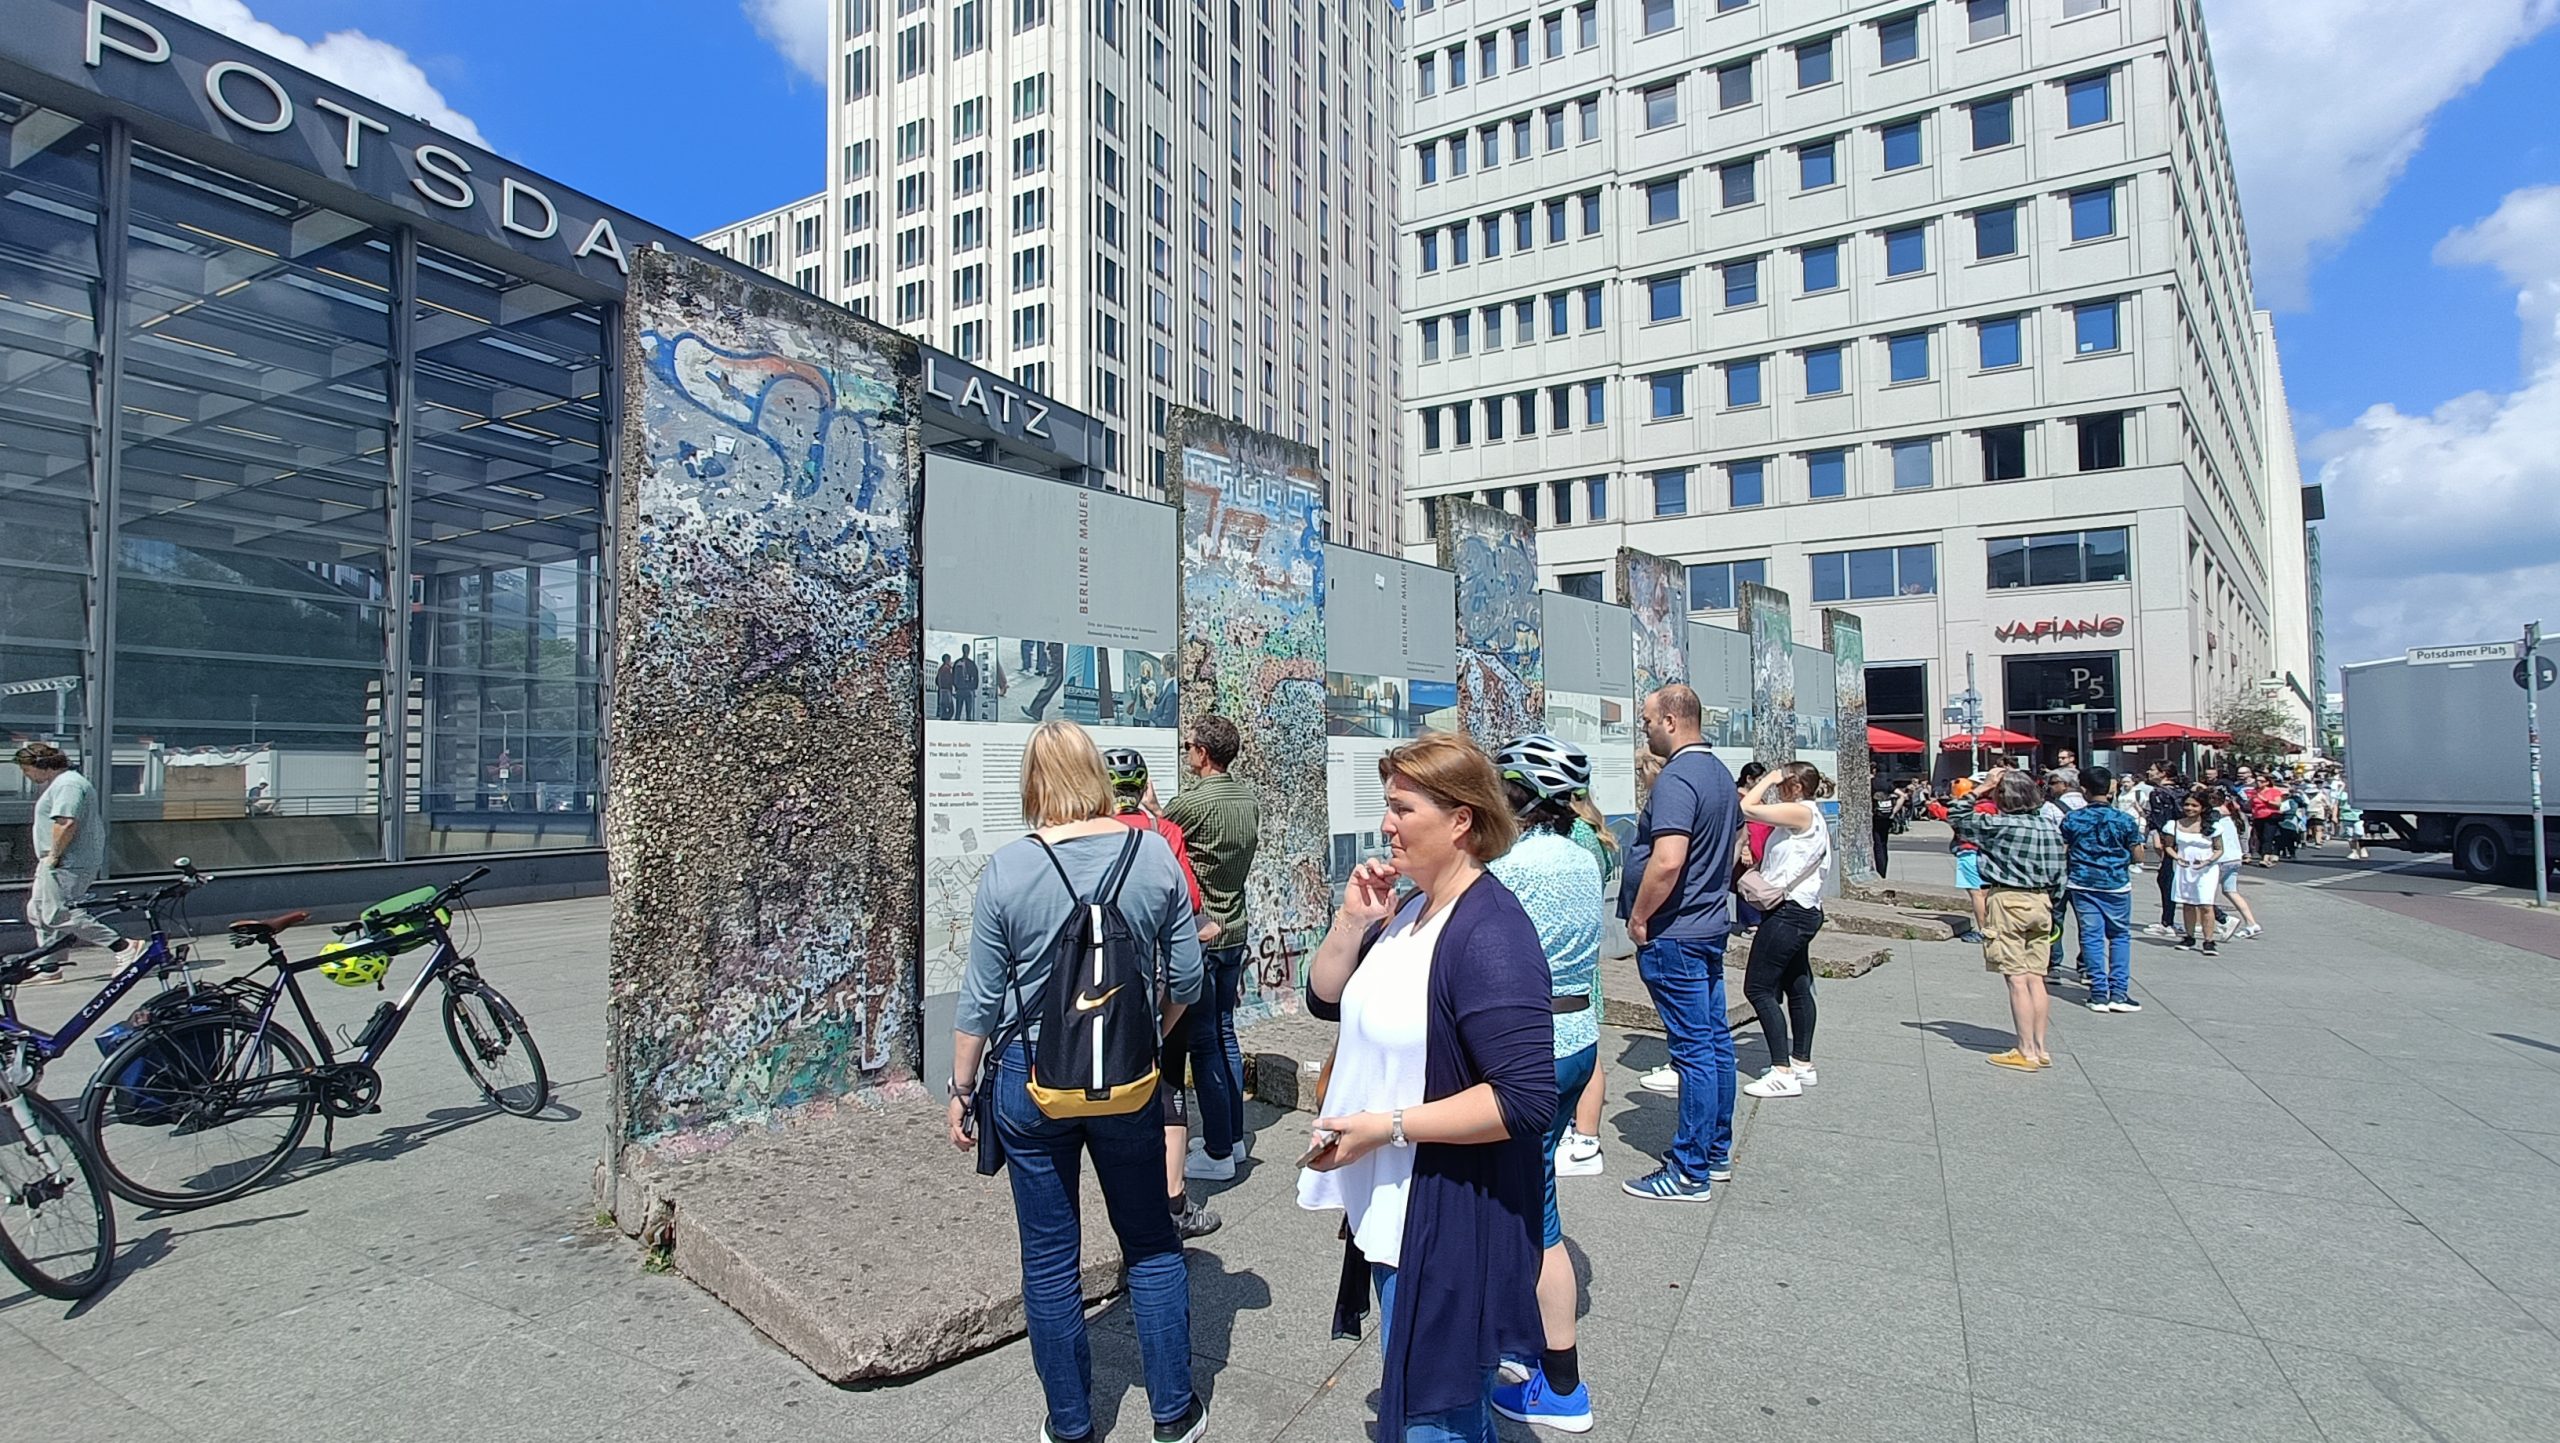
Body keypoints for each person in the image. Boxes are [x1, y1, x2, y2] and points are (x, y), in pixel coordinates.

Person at [946, 721, 1209, 1443]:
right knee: (1151, 1242)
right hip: (1128, 1081)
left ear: (1032, 783)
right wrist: (1147, 1034)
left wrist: (962, 1090)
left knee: (1048, 1259)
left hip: (1031, 1082)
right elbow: (1187, 978)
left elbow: (980, 1001)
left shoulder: (1008, 868)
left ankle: (1070, 1424)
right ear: (1096, 774)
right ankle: (1173, 1414)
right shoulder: (1152, 854)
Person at [1299, 732, 1555, 1443]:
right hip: (1398, 1206)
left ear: (1461, 820)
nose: (1386, 824)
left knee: (1436, 1417)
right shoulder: (1411, 909)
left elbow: (1524, 1098)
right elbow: (1325, 997)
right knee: (1429, 1401)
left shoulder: (1491, 932)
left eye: (1402, 808)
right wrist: (1353, 920)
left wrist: (1386, 1126)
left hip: (1450, 1215)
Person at [1485, 735, 1604, 1432]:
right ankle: (1518, 1335)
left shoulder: (1510, 867)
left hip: (1529, 1045)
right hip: (1577, 1036)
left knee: (1534, 1213)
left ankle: (1560, 1384)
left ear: (1517, 795)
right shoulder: (1582, 855)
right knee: (1530, 1193)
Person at [1618, 685, 1741, 1202]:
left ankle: (1689, 1170)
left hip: (1676, 932)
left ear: (1670, 720)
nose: (1645, 729)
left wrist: (1640, 916)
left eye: (1648, 721)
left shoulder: (1678, 778)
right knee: (1714, 1042)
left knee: (1693, 1051)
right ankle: (1715, 1152)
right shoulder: (1719, 773)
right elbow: (1732, 848)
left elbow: (1668, 860)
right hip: (1707, 925)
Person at [1104, 748, 1225, 1241]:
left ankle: (1128, 1195)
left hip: (1106, 979)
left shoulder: (1090, 833)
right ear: (1143, 786)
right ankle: (1174, 1202)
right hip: (1162, 979)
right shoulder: (1164, 833)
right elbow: (1191, 900)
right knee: (1169, 1081)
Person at [1166, 715, 1260, 1182]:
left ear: (1203, 753)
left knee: (1204, 1045)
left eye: (1189, 746)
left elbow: (1158, 832)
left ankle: (1219, 1152)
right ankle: (1234, 1139)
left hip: (1203, 932)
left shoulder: (1193, 802)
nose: (1186, 752)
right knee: (1225, 1033)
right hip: (1236, 928)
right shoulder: (1248, 800)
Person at [1930, 771, 2065, 1071]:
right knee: (2036, 976)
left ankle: (2025, 1051)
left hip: (2008, 898)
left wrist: (1982, 787)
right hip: (2041, 901)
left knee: (2016, 978)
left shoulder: (1998, 825)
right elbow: (2060, 872)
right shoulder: (2048, 826)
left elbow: (1957, 815)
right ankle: (2041, 1048)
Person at [1738, 761, 1832, 1099]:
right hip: (1801, 910)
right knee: (1797, 984)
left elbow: (1747, 806)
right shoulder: (1808, 815)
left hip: (1789, 913)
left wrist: (1766, 780)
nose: (1776, 787)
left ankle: (1782, 1071)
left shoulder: (1801, 812)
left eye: (1781, 783)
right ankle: (1802, 1063)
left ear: (1796, 786)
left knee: (1758, 988)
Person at [17, 744, 142, 983]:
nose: (27, 776)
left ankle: (124, 946)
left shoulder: (68, 784)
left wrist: (54, 855)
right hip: (57, 859)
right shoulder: (62, 783)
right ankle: (49, 966)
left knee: (58, 913)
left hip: (67, 860)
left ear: (41, 765)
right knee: (39, 912)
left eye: (27, 770)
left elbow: (66, 822)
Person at [1557, 783, 1619, 1179]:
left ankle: (1585, 1139)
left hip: (1569, 956)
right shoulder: (1593, 832)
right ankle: (1579, 1131)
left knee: (1586, 1053)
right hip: (1582, 954)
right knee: (1583, 1046)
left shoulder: (1576, 834)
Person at [2060, 767, 2146, 1013]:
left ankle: (2098, 993)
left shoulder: (2073, 819)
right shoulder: (2124, 820)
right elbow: (2138, 855)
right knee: (2119, 936)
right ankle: (2118, 992)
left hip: (2082, 882)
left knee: (2091, 937)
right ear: (2109, 789)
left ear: (2084, 790)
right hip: (2116, 884)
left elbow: (2064, 848)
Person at [2168, 790, 2229, 955]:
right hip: (2184, 868)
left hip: (2206, 870)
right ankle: (2189, 937)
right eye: (2187, 805)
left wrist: (2207, 861)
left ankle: (2209, 941)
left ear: (2203, 808)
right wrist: (2177, 857)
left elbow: (2219, 849)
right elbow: (2168, 846)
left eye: (2194, 805)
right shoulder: (2174, 825)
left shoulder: (2213, 827)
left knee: (2206, 904)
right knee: (2187, 904)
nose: (2189, 808)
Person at [2141, 765, 2190, 939]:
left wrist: (2158, 836)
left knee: (2167, 879)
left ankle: (2222, 917)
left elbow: (2160, 819)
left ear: (2163, 773)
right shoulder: (2182, 791)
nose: (2149, 772)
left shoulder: (2158, 793)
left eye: (2153, 769)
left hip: (2170, 839)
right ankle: (2167, 921)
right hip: (2186, 837)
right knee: (2175, 879)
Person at [2213, 790, 2264, 940]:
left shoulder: (2214, 814)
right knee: (2231, 891)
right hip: (2234, 857)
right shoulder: (2230, 813)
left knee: (2205, 894)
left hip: (2220, 858)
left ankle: (2221, 922)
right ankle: (2251, 924)